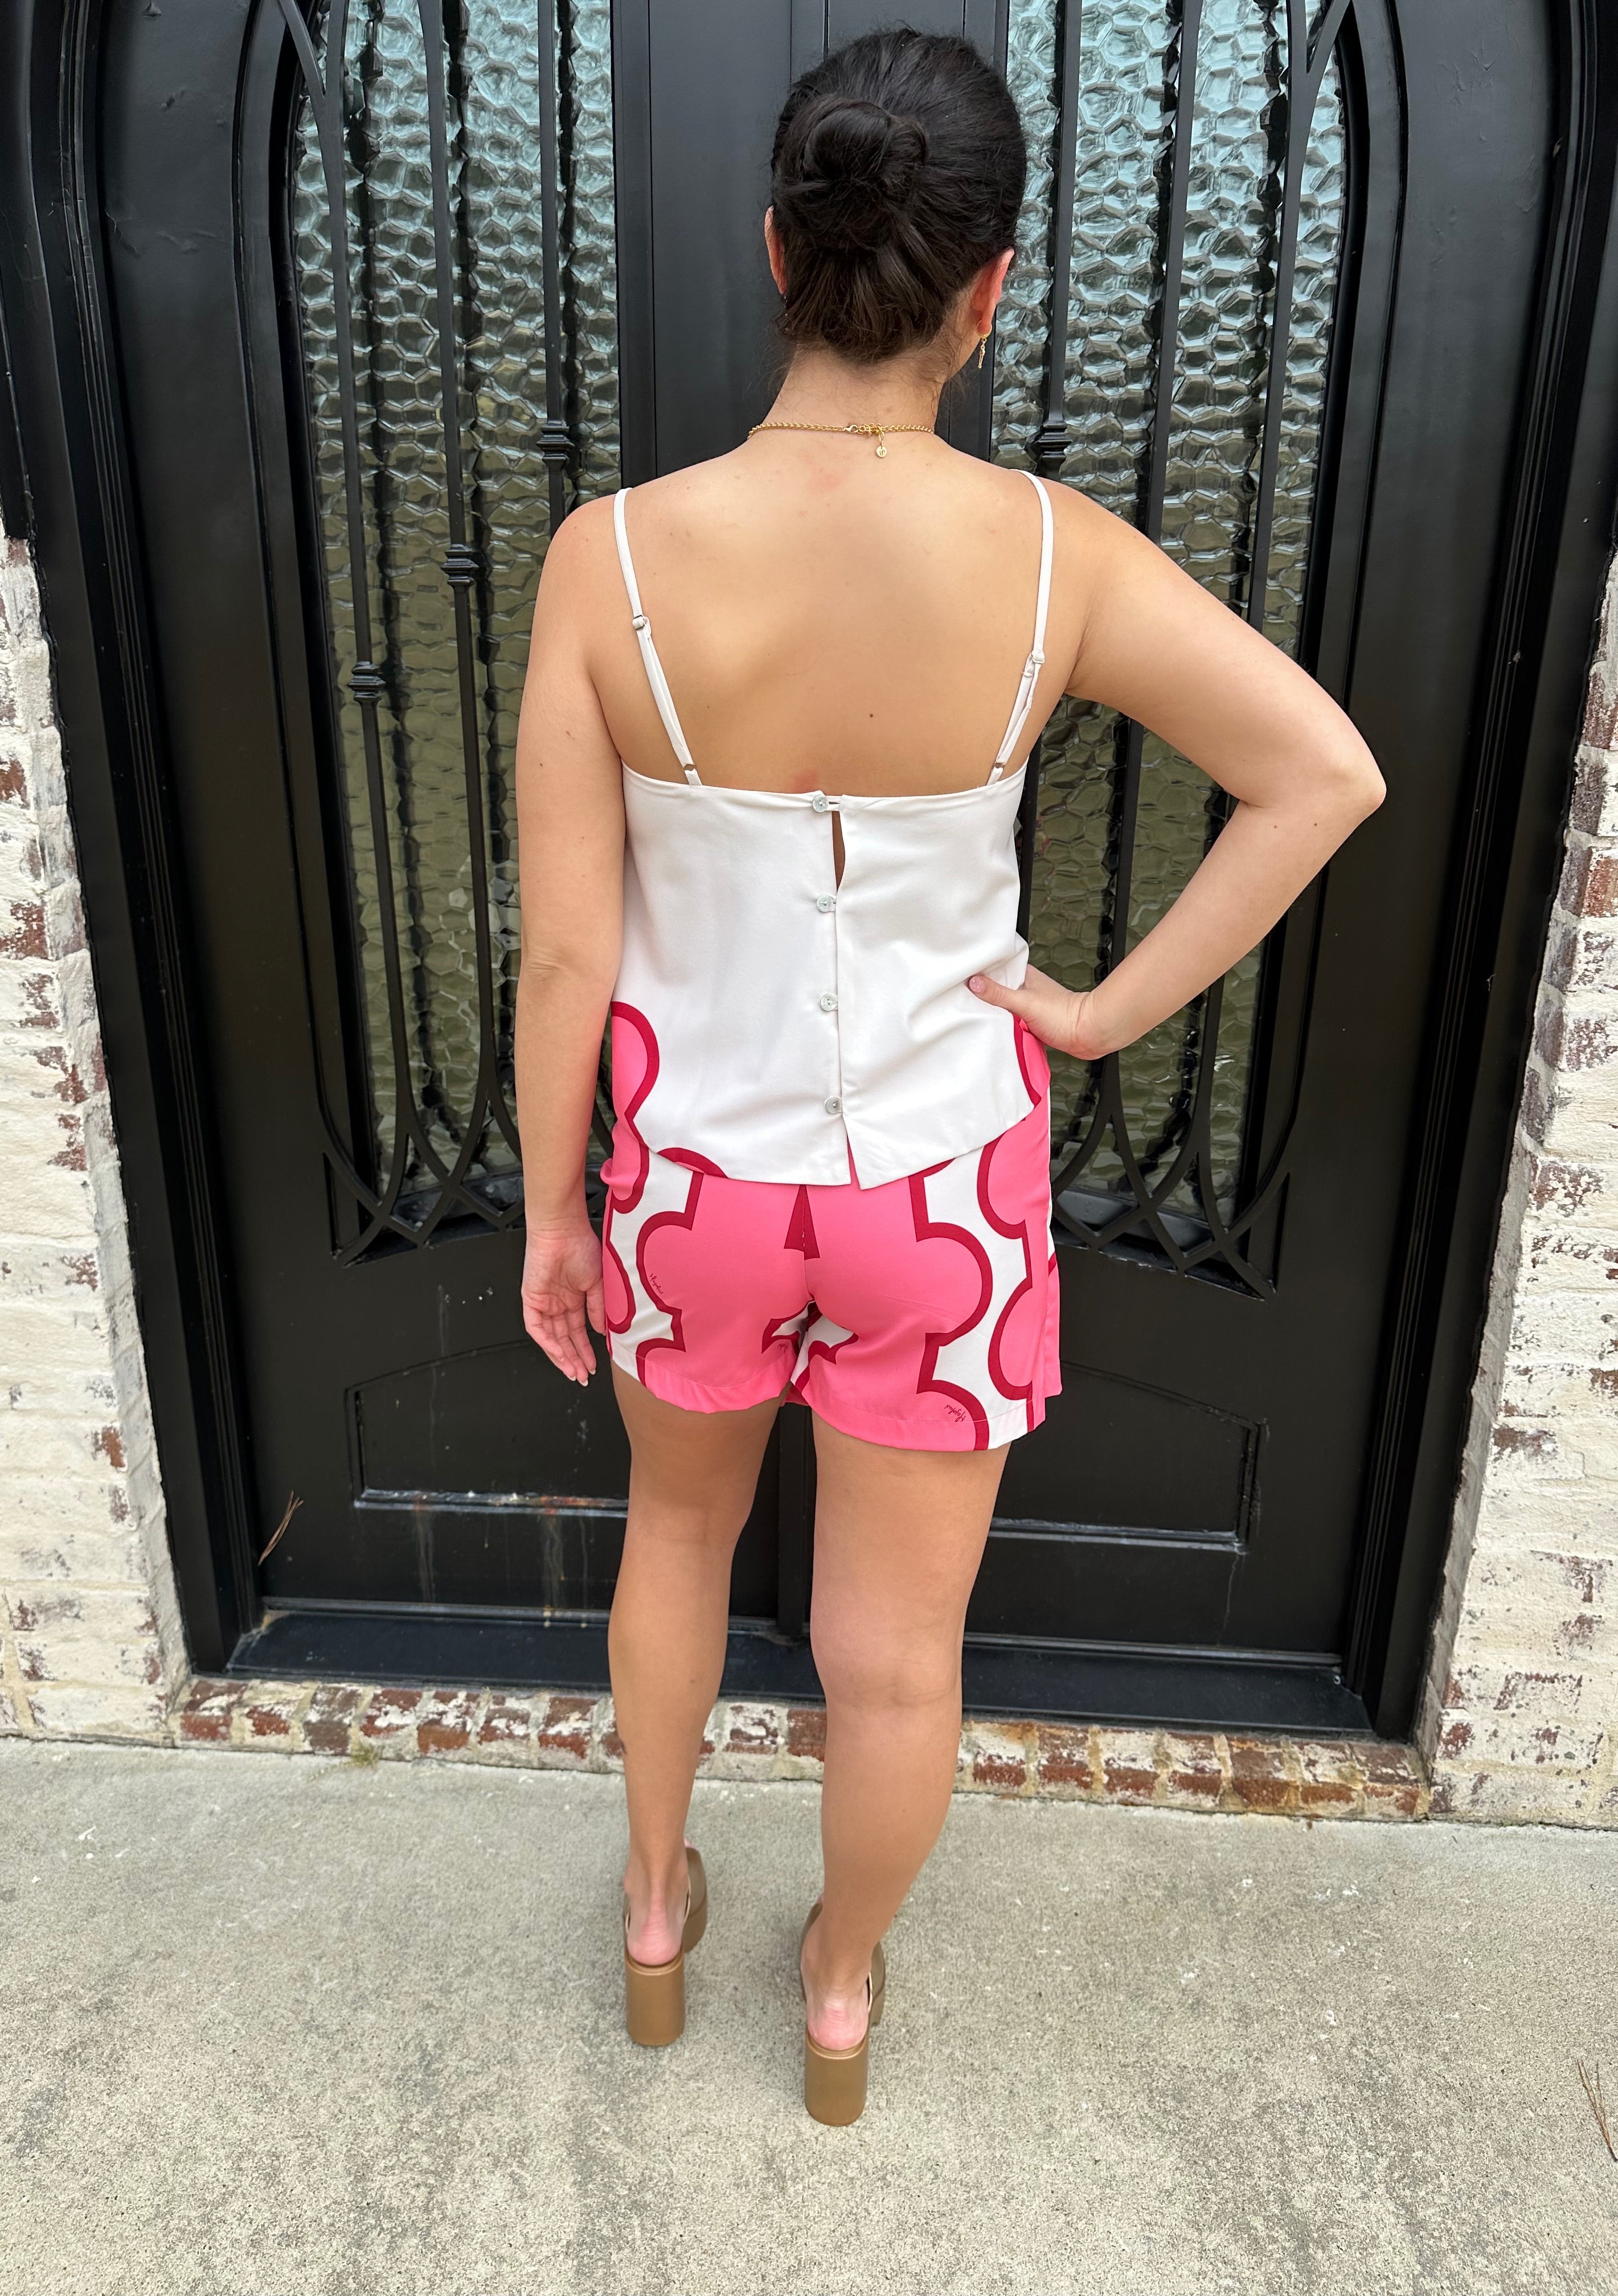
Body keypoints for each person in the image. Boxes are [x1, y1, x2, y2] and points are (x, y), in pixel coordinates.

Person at [513, 27, 1383, 2125]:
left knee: (674, 1543)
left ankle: (655, 1914)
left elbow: (566, 953)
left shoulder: (610, 561)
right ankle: (835, 1997)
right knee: (898, 1655)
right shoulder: (1055, 558)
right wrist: (1094, 1015)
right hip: (944, 1196)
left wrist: (553, 1208)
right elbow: (1322, 774)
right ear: (991, 287)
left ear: (776, 253)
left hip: (694, 1185)